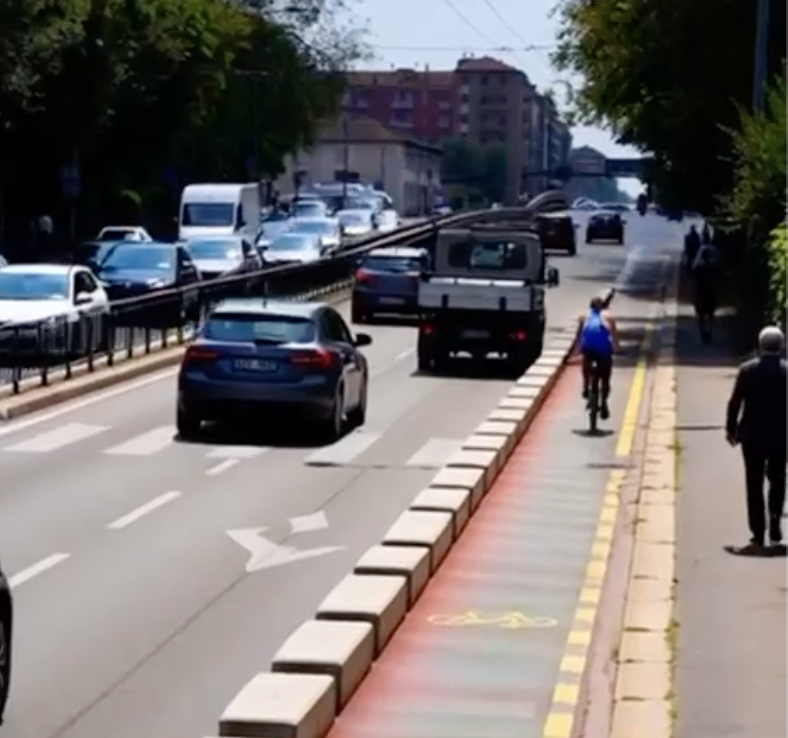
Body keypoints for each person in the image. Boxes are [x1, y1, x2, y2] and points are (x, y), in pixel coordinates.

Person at [725, 325, 787, 549]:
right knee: (778, 479)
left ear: (760, 346)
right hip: (781, 435)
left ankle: (758, 533)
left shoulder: (747, 370)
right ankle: (775, 519)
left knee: (754, 482)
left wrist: (730, 429)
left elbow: (735, 402)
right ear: (781, 346)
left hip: (752, 435)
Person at [576, 293, 620, 420]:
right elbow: (614, 337)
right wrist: (617, 348)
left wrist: (576, 351)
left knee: (586, 365)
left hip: (589, 350)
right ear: (602, 307)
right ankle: (604, 403)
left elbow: (579, 337)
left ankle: (585, 387)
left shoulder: (584, 317)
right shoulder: (609, 317)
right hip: (604, 352)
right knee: (605, 378)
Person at [690, 241, 720, 341]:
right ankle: (709, 331)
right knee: (710, 314)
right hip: (710, 293)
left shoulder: (699, 267)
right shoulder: (713, 267)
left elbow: (692, 276)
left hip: (701, 293)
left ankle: (703, 332)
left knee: (701, 315)